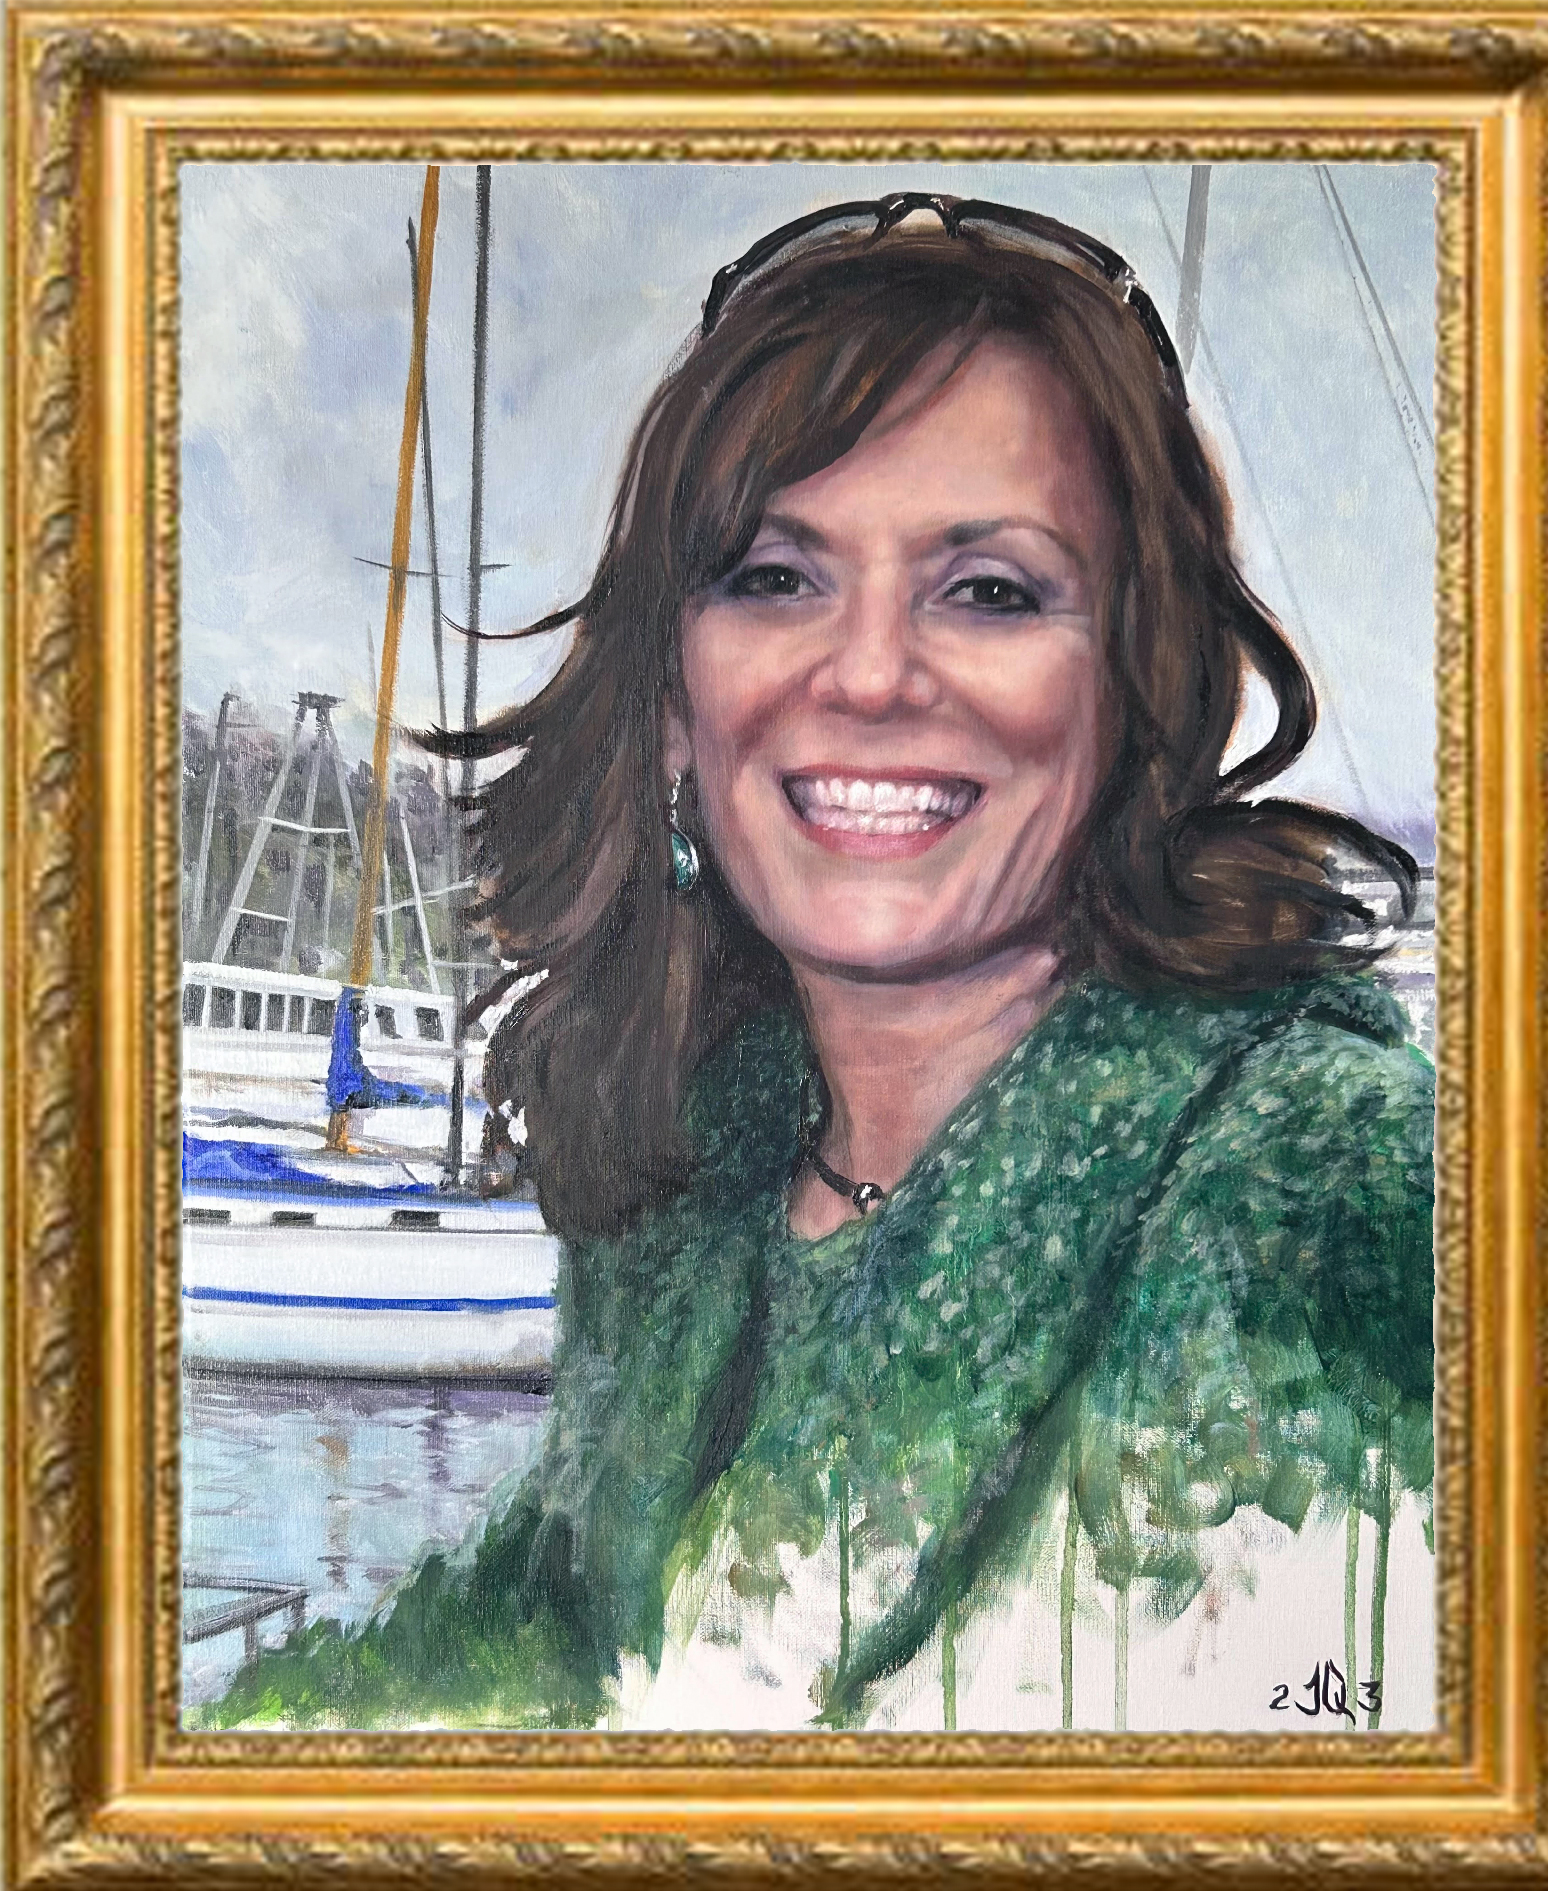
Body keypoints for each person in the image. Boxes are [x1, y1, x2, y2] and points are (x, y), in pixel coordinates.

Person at [209, 193, 1434, 1733]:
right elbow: (538, 1650)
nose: (866, 675)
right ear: (674, 702)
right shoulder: (697, 1183)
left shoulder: (1325, 1188)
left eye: (989, 591)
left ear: (1139, 689)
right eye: (776, 578)